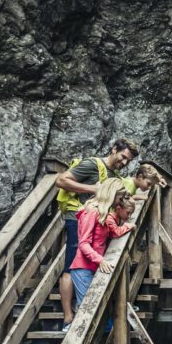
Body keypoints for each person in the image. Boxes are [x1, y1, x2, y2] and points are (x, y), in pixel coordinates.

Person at [55, 137, 139, 330]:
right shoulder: (92, 165)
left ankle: (88, 313)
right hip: (78, 219)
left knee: (85, 265)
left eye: (128, 161)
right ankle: (69, 317)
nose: (124, 162)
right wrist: (93, 188)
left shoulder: (113, 174)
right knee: (70, 266)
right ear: (114, 149)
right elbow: (61, 180)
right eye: (123, 156)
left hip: (95, 222)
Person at [69, 179, 135, 312]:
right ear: (111, 194)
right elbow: (84, 243)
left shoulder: (103, 213)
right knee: (89, 310)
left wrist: (126, 227)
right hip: (83, 268)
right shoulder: (91, 212)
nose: (121, 202)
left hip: (94, 267)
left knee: (99, 309)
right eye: (120, 198)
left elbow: (110, 233)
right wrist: (101, 260)